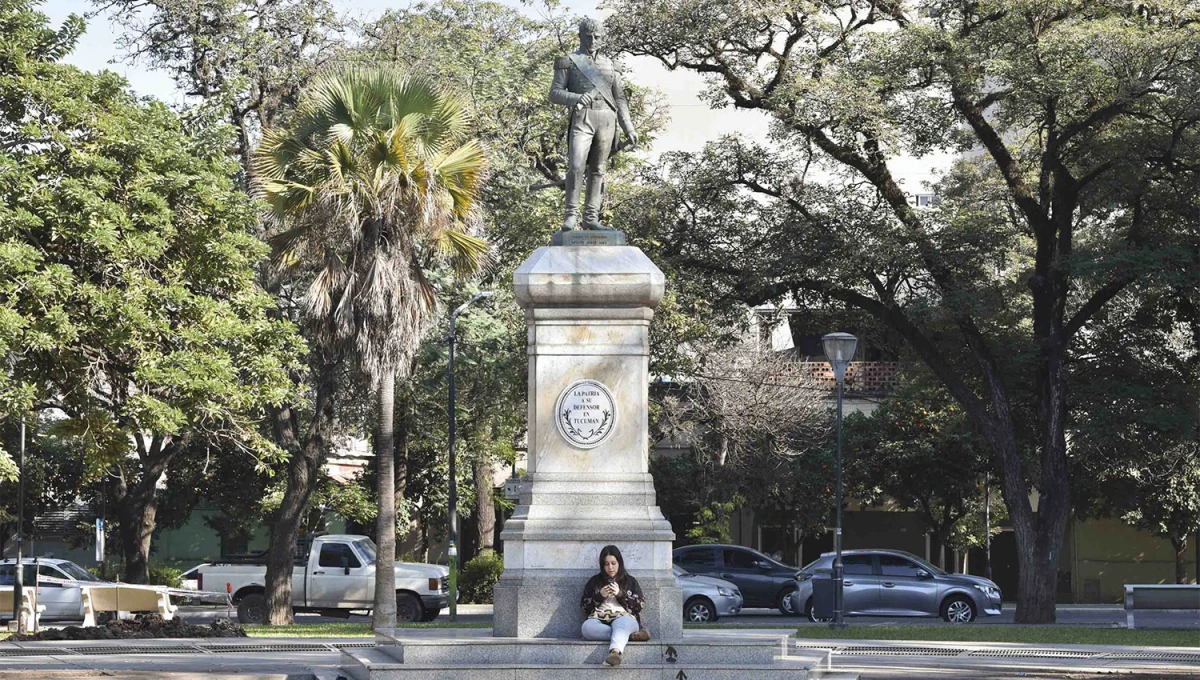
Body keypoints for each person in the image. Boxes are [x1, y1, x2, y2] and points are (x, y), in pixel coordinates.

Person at [549, 18, 638, 231]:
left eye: (597, 36)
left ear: (602, 38)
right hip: (583, 117)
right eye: (588, 36)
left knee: (598, 169)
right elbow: (554, 93)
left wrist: (629, 127)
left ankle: (591, 218)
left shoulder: (611, 65)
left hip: (607, 119)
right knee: (576, 166)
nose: (592, 40)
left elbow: (620, 99)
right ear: (580, 36)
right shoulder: (568, 61)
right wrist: (575, 98)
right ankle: (570, 215)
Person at [579, 544, 650, 666]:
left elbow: (640, 606)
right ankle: (630, 636)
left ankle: (615, 652)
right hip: (599, 619)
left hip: (624, 618)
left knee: (622, 624)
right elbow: (584, 607)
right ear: (602, 565)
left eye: (613, 563)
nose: (610, 567)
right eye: (606, 564)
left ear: (619, 563)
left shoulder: (630, 581)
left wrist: (620, 594)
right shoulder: (595, 581)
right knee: (586, 628)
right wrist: (599, 596)